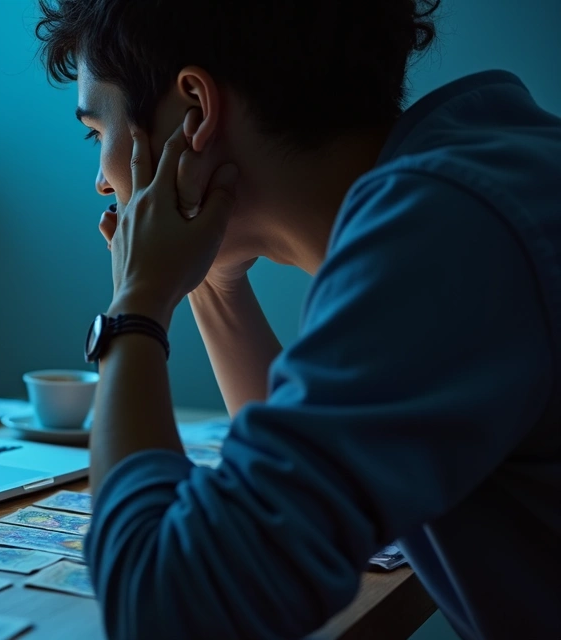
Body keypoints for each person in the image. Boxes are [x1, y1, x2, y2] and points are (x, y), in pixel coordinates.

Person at [35, 1, 561, 638]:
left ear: (195, 110)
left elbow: (167, 604)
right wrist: (209, 282)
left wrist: (135, 306)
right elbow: (300, 482)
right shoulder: (474, 175)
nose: (100, 180)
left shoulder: (445, 230)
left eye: (98, 133)